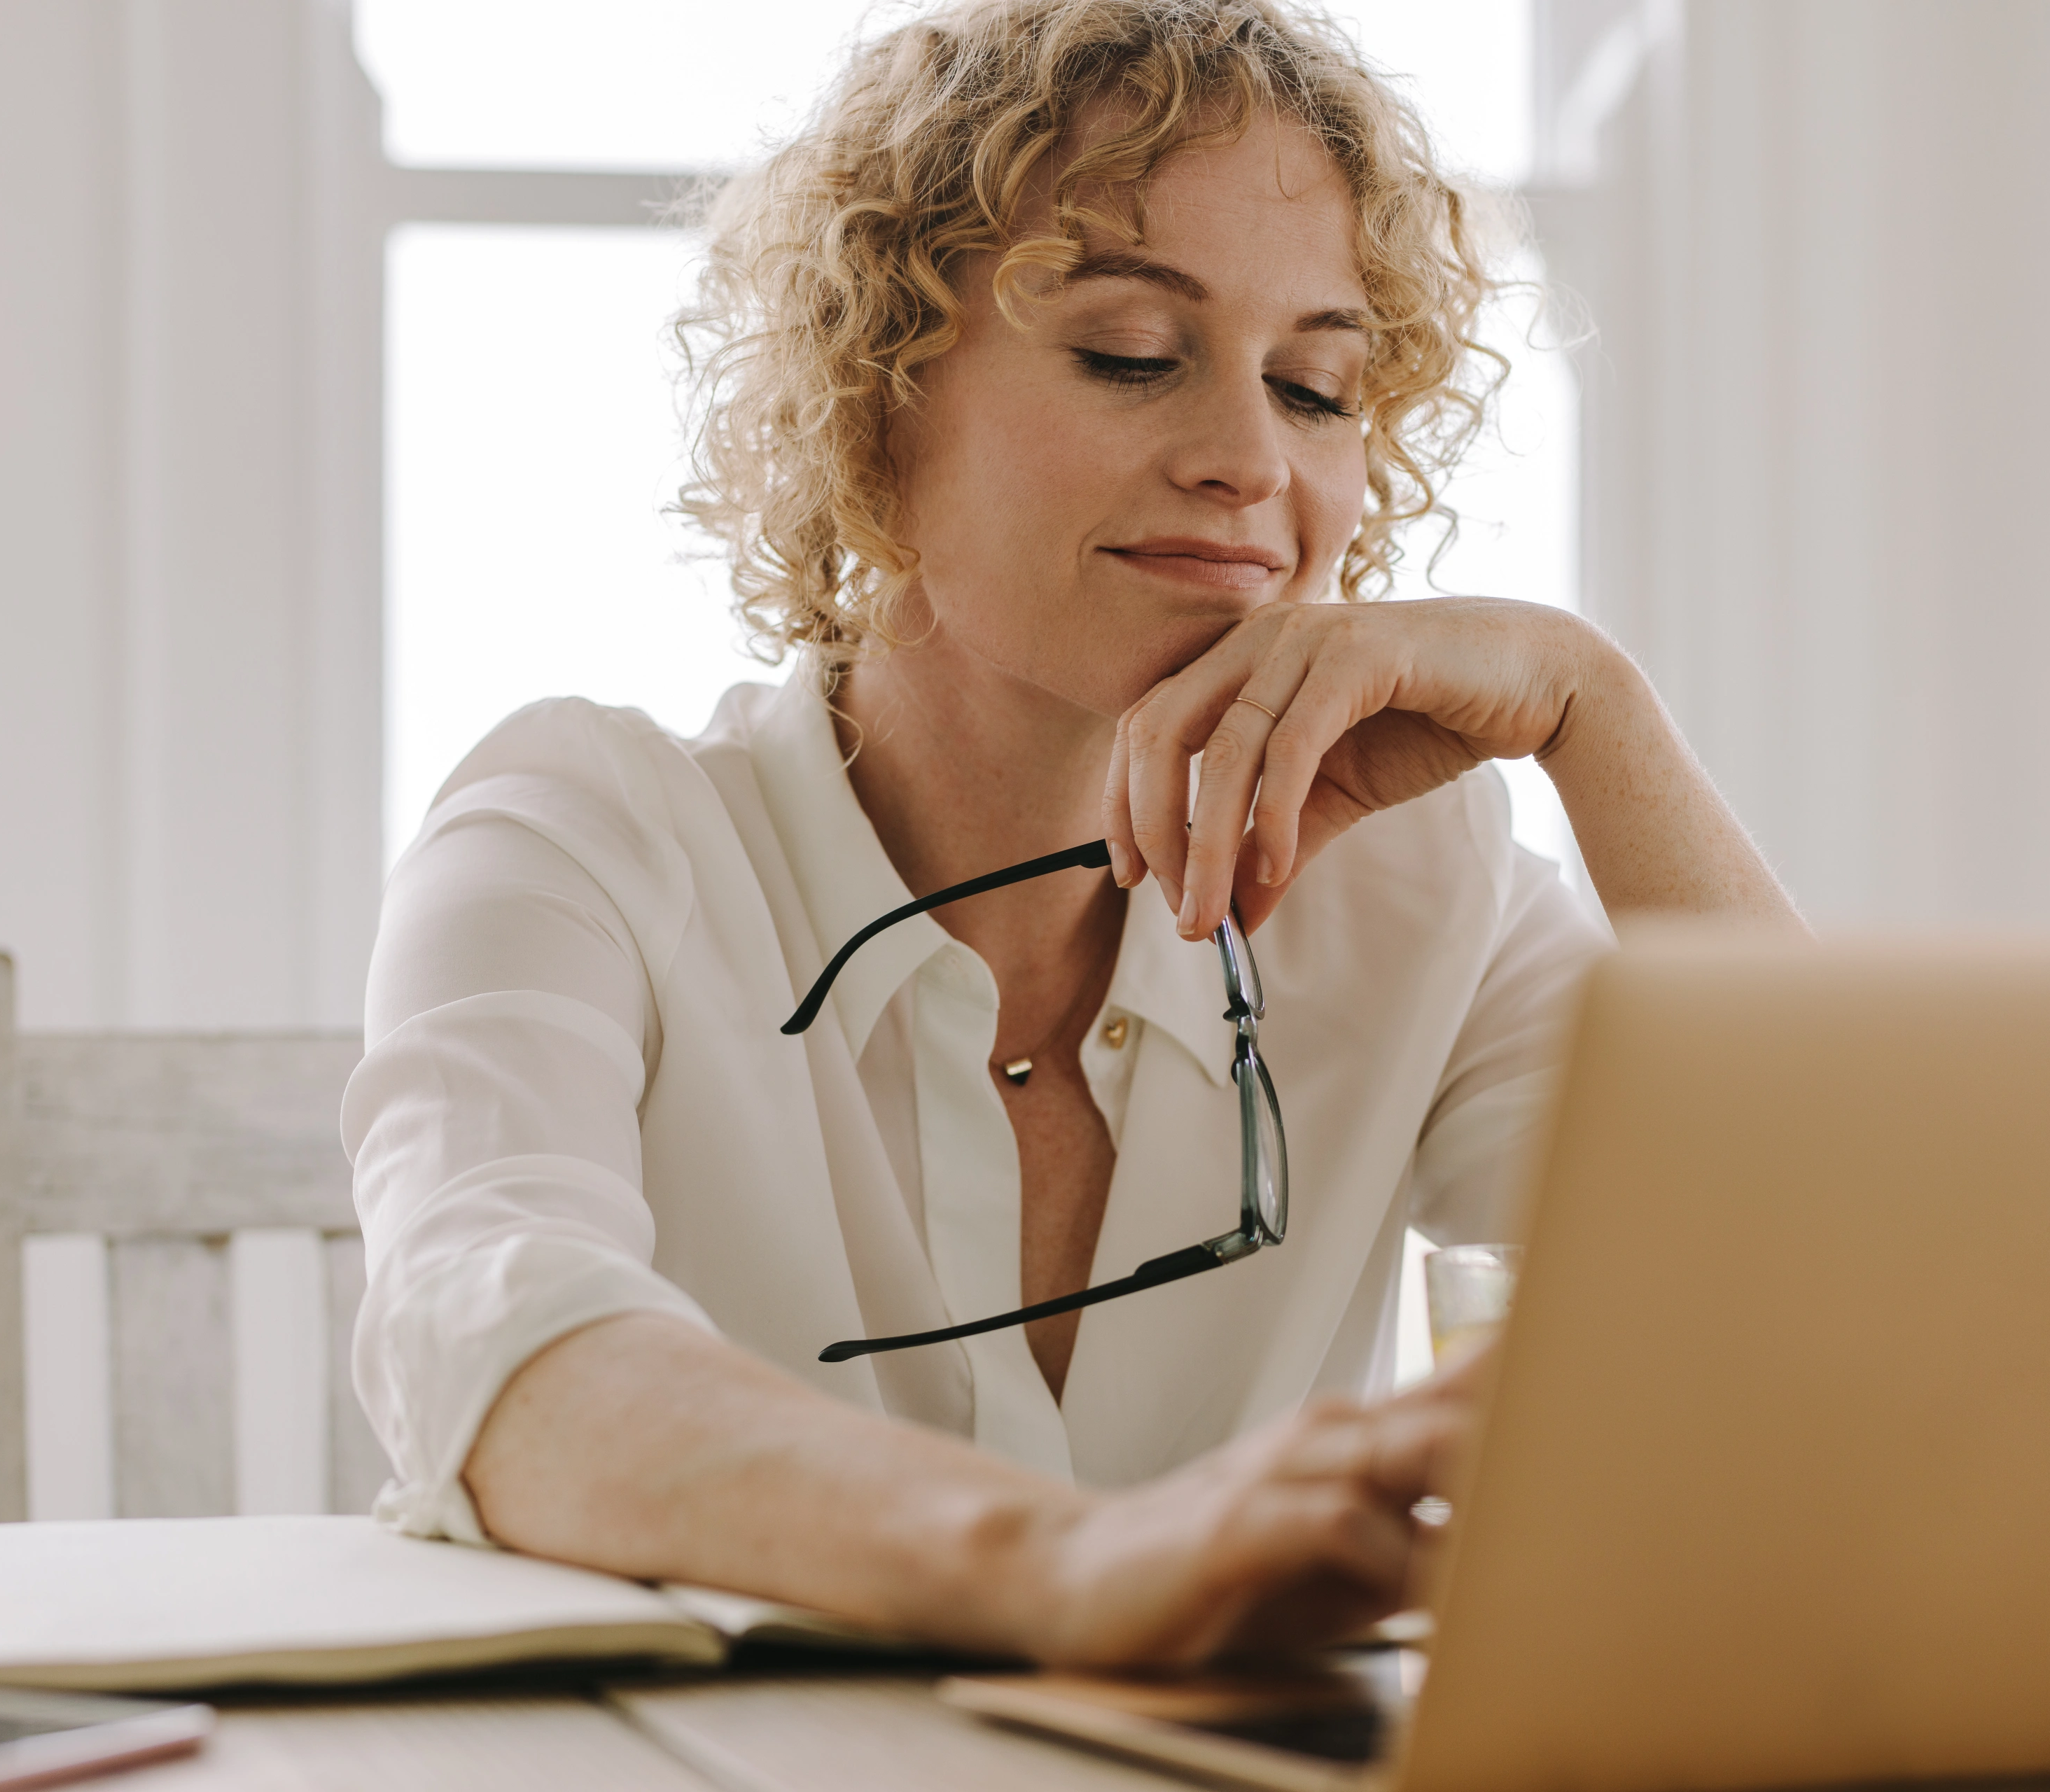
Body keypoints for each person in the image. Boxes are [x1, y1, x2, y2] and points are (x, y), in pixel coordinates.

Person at [343, 0, 1799, 1668]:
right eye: (1129, 353)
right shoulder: (582, 838)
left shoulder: (1421, 886)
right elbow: (499, 1347)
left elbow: (1835, 1296)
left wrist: (1594, 716)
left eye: (1318, 387)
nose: (1254, 462)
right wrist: (1080, 1564)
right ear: (871, 398)